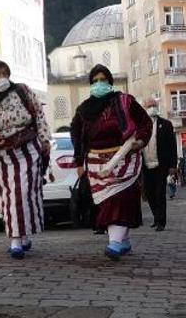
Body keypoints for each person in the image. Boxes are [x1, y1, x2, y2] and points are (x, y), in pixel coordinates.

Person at [0, 59, 51, 259]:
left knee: (23, 193)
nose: (1, 79)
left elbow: (39, 115)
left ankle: (19, 237)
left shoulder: (22, 91)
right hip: (0, 156)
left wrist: (45, 139)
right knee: (8, 197)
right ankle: (19, 237)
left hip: (27, 150)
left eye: (5, 74)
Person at [70, 65, 152, 259]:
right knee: (106, 203)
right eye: (95, 81)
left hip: (125, 159)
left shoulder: (125, 101)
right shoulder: (83, 110)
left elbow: (145, 123)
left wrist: (139, 141)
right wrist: (79, 162)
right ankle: (123, 240)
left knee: (121, 199)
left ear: (110, 82)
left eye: (103, 80)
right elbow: (77, 136)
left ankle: (114, 243)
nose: (99, 84)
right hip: (96, 164)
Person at [141, 98, 177, 231]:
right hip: (145, 165)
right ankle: (156, 217)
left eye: (153, 105)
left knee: (160, 193)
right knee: (149, 194)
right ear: (144, 109)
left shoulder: (166, 124)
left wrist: (173, 165)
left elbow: (172, 146)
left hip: (161, 165)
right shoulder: (141, 125)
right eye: (149, 106)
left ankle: (161, 222)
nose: (152, 108)